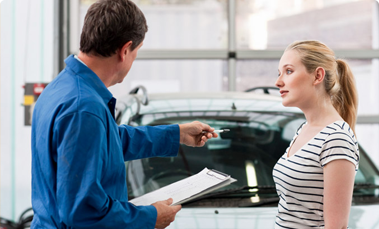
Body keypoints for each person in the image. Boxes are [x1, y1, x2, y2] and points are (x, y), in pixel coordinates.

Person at [30, 0, 217, 228]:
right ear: (125, 50)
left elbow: (107, 143)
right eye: (135, 54)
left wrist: (176, 134)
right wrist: (149, 218)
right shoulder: (83, 108)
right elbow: (82, 212)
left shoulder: (63, 87)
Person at [273, 40, 359, 228]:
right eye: (279, 73)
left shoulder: (336, 138)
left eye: (288, 71)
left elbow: (336, 226)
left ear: (318, 75)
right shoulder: (303, 129)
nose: (278, 82)